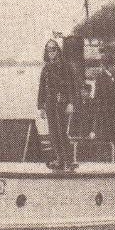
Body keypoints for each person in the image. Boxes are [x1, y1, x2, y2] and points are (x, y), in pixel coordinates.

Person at [38, 38, 80, 169]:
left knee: (62, 132)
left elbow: (72, 87)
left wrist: (71, 103)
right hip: (50, 104)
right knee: (53, 133)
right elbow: (42, 89)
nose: (51, 52)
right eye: (49, 50)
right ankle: (59, 159)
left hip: (62, 102)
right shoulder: (45, 69)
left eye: (54, 49)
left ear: (58, 50)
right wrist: (41, 107)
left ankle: (69, 160)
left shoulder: (66, 67)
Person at [91, 54, 115, 143]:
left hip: (108, 108)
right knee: (106, 132)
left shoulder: (110, 77)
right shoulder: (103, 77)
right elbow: (98, 95)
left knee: (108, 132)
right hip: (106, 109)